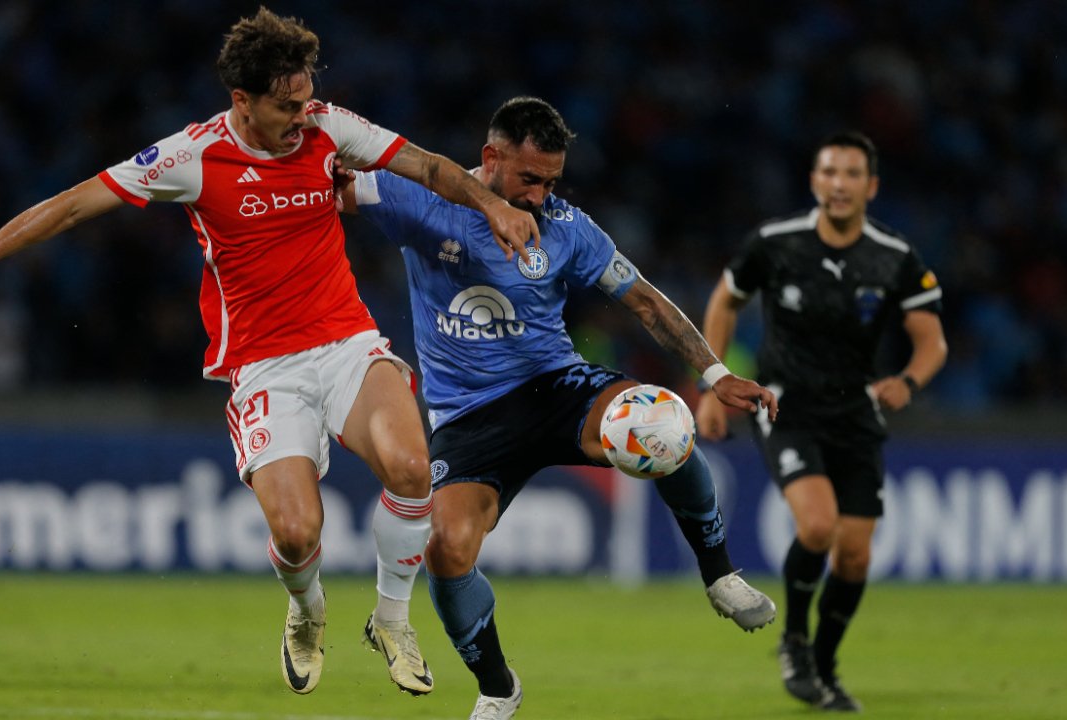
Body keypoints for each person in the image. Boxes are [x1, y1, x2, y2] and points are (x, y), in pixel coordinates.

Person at [0, 8, 540, 696]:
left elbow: (430, 166)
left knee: (413, 468)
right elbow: (76, 203)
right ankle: (306, 609)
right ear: (243, 100)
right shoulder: (192, 157)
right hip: (265, 365)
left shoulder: (327, 125)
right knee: (296, 533)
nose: (302, 116)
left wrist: (490, 205)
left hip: (346, 341)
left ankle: (391, 619)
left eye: (305, 99)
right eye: (286, 106)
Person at [340, 96, 779, 720]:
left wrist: (713, 372)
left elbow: (647, 303)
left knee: (661, 422)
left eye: (551, 181)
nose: (542, 196)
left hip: (557, 388)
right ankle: (498, 687)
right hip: (469, 418)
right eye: (530, 179)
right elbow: (326, 187)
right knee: (445, 546)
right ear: (490, 159)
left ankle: (720, 576)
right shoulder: (423, 198)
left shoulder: (567, 227)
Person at [696, 131, 948, 712]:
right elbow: (724, 301)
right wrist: (711, 385)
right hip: (786, 406)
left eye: (851, 174)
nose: (839, 183)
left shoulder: (895, 256)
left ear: (871, 186)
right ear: (815, 181)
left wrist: (908, 382)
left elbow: (932, 342)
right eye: (829, 172)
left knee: (855, 555)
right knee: (818, 526)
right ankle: (793, 642)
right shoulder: (775, 243)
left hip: (856, 412)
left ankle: (825, 667)